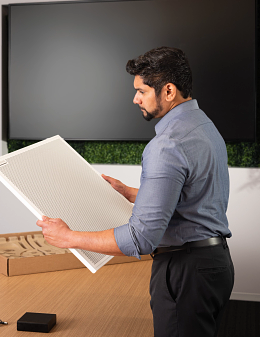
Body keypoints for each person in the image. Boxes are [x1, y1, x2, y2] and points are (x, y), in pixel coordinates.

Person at [36, 46, 234, 337]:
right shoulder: (203, 125)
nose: (135, 98)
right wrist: (130, 192)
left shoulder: (167, 145)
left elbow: (141, 238)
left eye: (142, 91)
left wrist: (68, 238)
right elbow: (194, 196)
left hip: (184, 271)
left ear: (168, 91)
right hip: (213, 265)